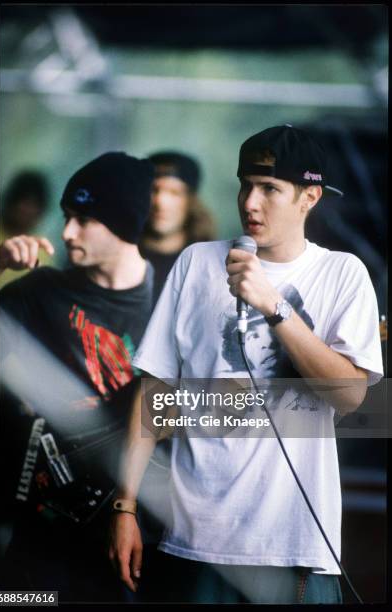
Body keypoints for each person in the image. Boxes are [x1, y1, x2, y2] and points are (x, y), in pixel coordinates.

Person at [109, 125, 384, 604]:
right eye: (245, 184)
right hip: (195, 541)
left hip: (294, 546)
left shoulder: (342, 273)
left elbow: (350, 395)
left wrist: (274, 307)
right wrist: (125, 507)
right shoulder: (197, 263)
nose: (250, 202)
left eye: (270, 189)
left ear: (309, 197)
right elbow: (156, 397)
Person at [0, 151, 159, 602]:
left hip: (137, 541)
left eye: (84, 219)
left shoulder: (171, 300)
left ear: (124, 223)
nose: (66, 232)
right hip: (37, 547)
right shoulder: (38, 293)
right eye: (67, 216)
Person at [140, 151, 215, 305]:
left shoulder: (206, 263)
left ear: (190, 200)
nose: (161, 202)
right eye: (154, 190)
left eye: (174, 192)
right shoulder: (120, 253)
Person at [0, 170, 52, 289]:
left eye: (34, 205)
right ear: (11, 201)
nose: (28, 211)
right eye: (25, 202)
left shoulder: (43, 252)